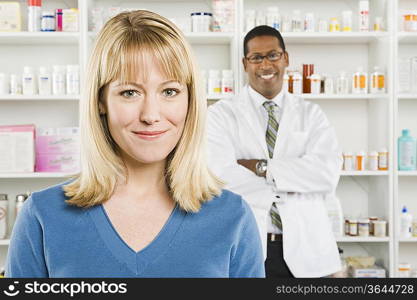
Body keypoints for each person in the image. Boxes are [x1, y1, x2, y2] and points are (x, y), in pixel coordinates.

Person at [5, 10, 264, 278]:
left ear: (191, 101)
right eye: (130, 92)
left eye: (170, 91)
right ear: (101, 101)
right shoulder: (42, 217)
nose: (151, 115)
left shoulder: (233, 217)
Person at [207, 25, 342, 278]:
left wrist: (263, 167)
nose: (265, 65)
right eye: (256, 58)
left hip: (308, 248)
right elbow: (219, 176)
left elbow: (326, 174)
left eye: (273, 55)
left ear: (285, 58)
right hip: (249, 242)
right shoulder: (220, 115)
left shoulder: (311, 114)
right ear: (245, 63)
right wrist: (295, 178)